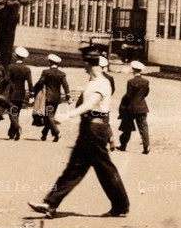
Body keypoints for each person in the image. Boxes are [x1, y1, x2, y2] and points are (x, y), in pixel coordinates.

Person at [29, 56, 129, 219]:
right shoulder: (92, 82)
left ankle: (121, 205)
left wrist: (67, 116)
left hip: (95, 128)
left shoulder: (102, 84)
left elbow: (90, 104)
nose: (84, 68)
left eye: (87, 65)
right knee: (76, 168)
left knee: (103, 168)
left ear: (94, 66)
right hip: (89, 127)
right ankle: (50, 203)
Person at [117, 61, 151, 153]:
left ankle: (123, 145)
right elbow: (146, 93)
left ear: (133, 70)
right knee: (143, 128)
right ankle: (146, 146)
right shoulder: (146, 81)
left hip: (131, 108)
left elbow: (129, 95)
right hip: (142, 107)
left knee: (127, 127)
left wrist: (124, 104)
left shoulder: (131, 82)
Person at [34, 55, 67, 142]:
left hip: (48, 98)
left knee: (50, 116)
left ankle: (57, 132)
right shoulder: (61, 74)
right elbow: (65, 85)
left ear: (50, 62)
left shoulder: (46, 72)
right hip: (57, 99)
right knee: (50, 116)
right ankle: (44, 133)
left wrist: (34, 91)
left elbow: (40, 82)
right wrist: (68, 96)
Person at [3, 47, 33, 141]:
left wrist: (2, 85)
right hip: (21, 93)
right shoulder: (27, 69)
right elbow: (30, 82)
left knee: (11, 113)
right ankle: (12, 133)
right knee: (16, 113)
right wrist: (32, 94)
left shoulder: (11, 67)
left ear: (16, 56)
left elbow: (7, 79)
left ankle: (17, 128)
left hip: (12, 93)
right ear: (24, 58)